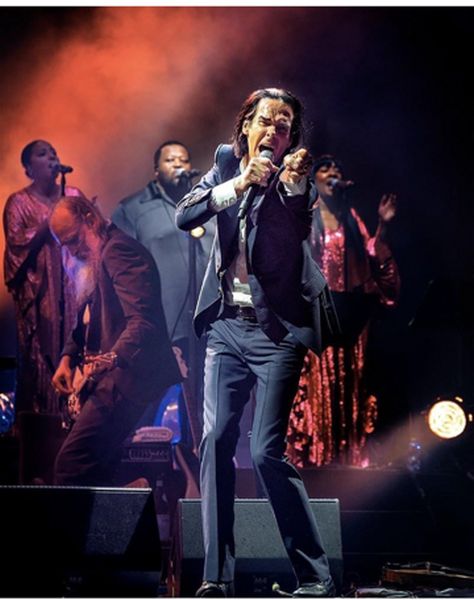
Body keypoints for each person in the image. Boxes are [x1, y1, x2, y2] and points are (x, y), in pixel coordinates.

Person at [176, 88, 337, 598]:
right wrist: (239, 183)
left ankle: (315, 577)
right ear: (246, 125)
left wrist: (292, 184)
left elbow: (297, 222)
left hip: (277, 331)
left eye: (283, 126)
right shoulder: (227, 162)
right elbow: (185, 215)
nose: (273, 131)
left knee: (265, 451)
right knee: (215, 438)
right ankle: (216, 578)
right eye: (266, 121)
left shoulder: (295, 178)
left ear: (291, 138)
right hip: (227, 325)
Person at [49, 196, 181, 485]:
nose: (72, 251)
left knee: (71, 464)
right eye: (65, 245)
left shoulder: (119, 250)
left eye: (74, 240)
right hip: (113, 378)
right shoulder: (98, 256)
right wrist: (67, 358)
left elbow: (143, 320)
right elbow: (87, 316)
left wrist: (111, 357)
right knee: (98, 468)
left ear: (89, 218)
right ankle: (134, 494)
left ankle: (135, 493)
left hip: (129, 378)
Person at [286, 155, 400, 468]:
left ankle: (347, 465)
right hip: (315, 322)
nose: (333, 173)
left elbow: (372, 260)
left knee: (347, 392)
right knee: (315, 394)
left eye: (337, 169)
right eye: (325, 169)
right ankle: (313, 464)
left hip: (349, 323)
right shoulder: (305, 215)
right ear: (313, 180)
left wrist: (383, 226)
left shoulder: (351, 218)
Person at [112, 141, 215, 449]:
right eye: (170, 160)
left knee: (199, 396)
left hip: (203, 321)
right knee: (146, 394)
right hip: (156, 321)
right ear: (156, 169)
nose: (179, 164)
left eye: (184, 159)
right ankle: (130, 458)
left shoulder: (205, 204)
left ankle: (194, 457)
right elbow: (118, 262)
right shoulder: (133, 208)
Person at [3, 140, 86, 418]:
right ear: (28, 168)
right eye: (42, 154)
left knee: (78, 342)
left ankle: (77, 416)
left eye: (54, 153)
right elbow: (16, 247)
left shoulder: (73, 195)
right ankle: (42, 423)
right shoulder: (18, 203)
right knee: (42, 355)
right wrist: (53, 218)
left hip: (75, 289)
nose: (51, 158)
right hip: (41, 297)